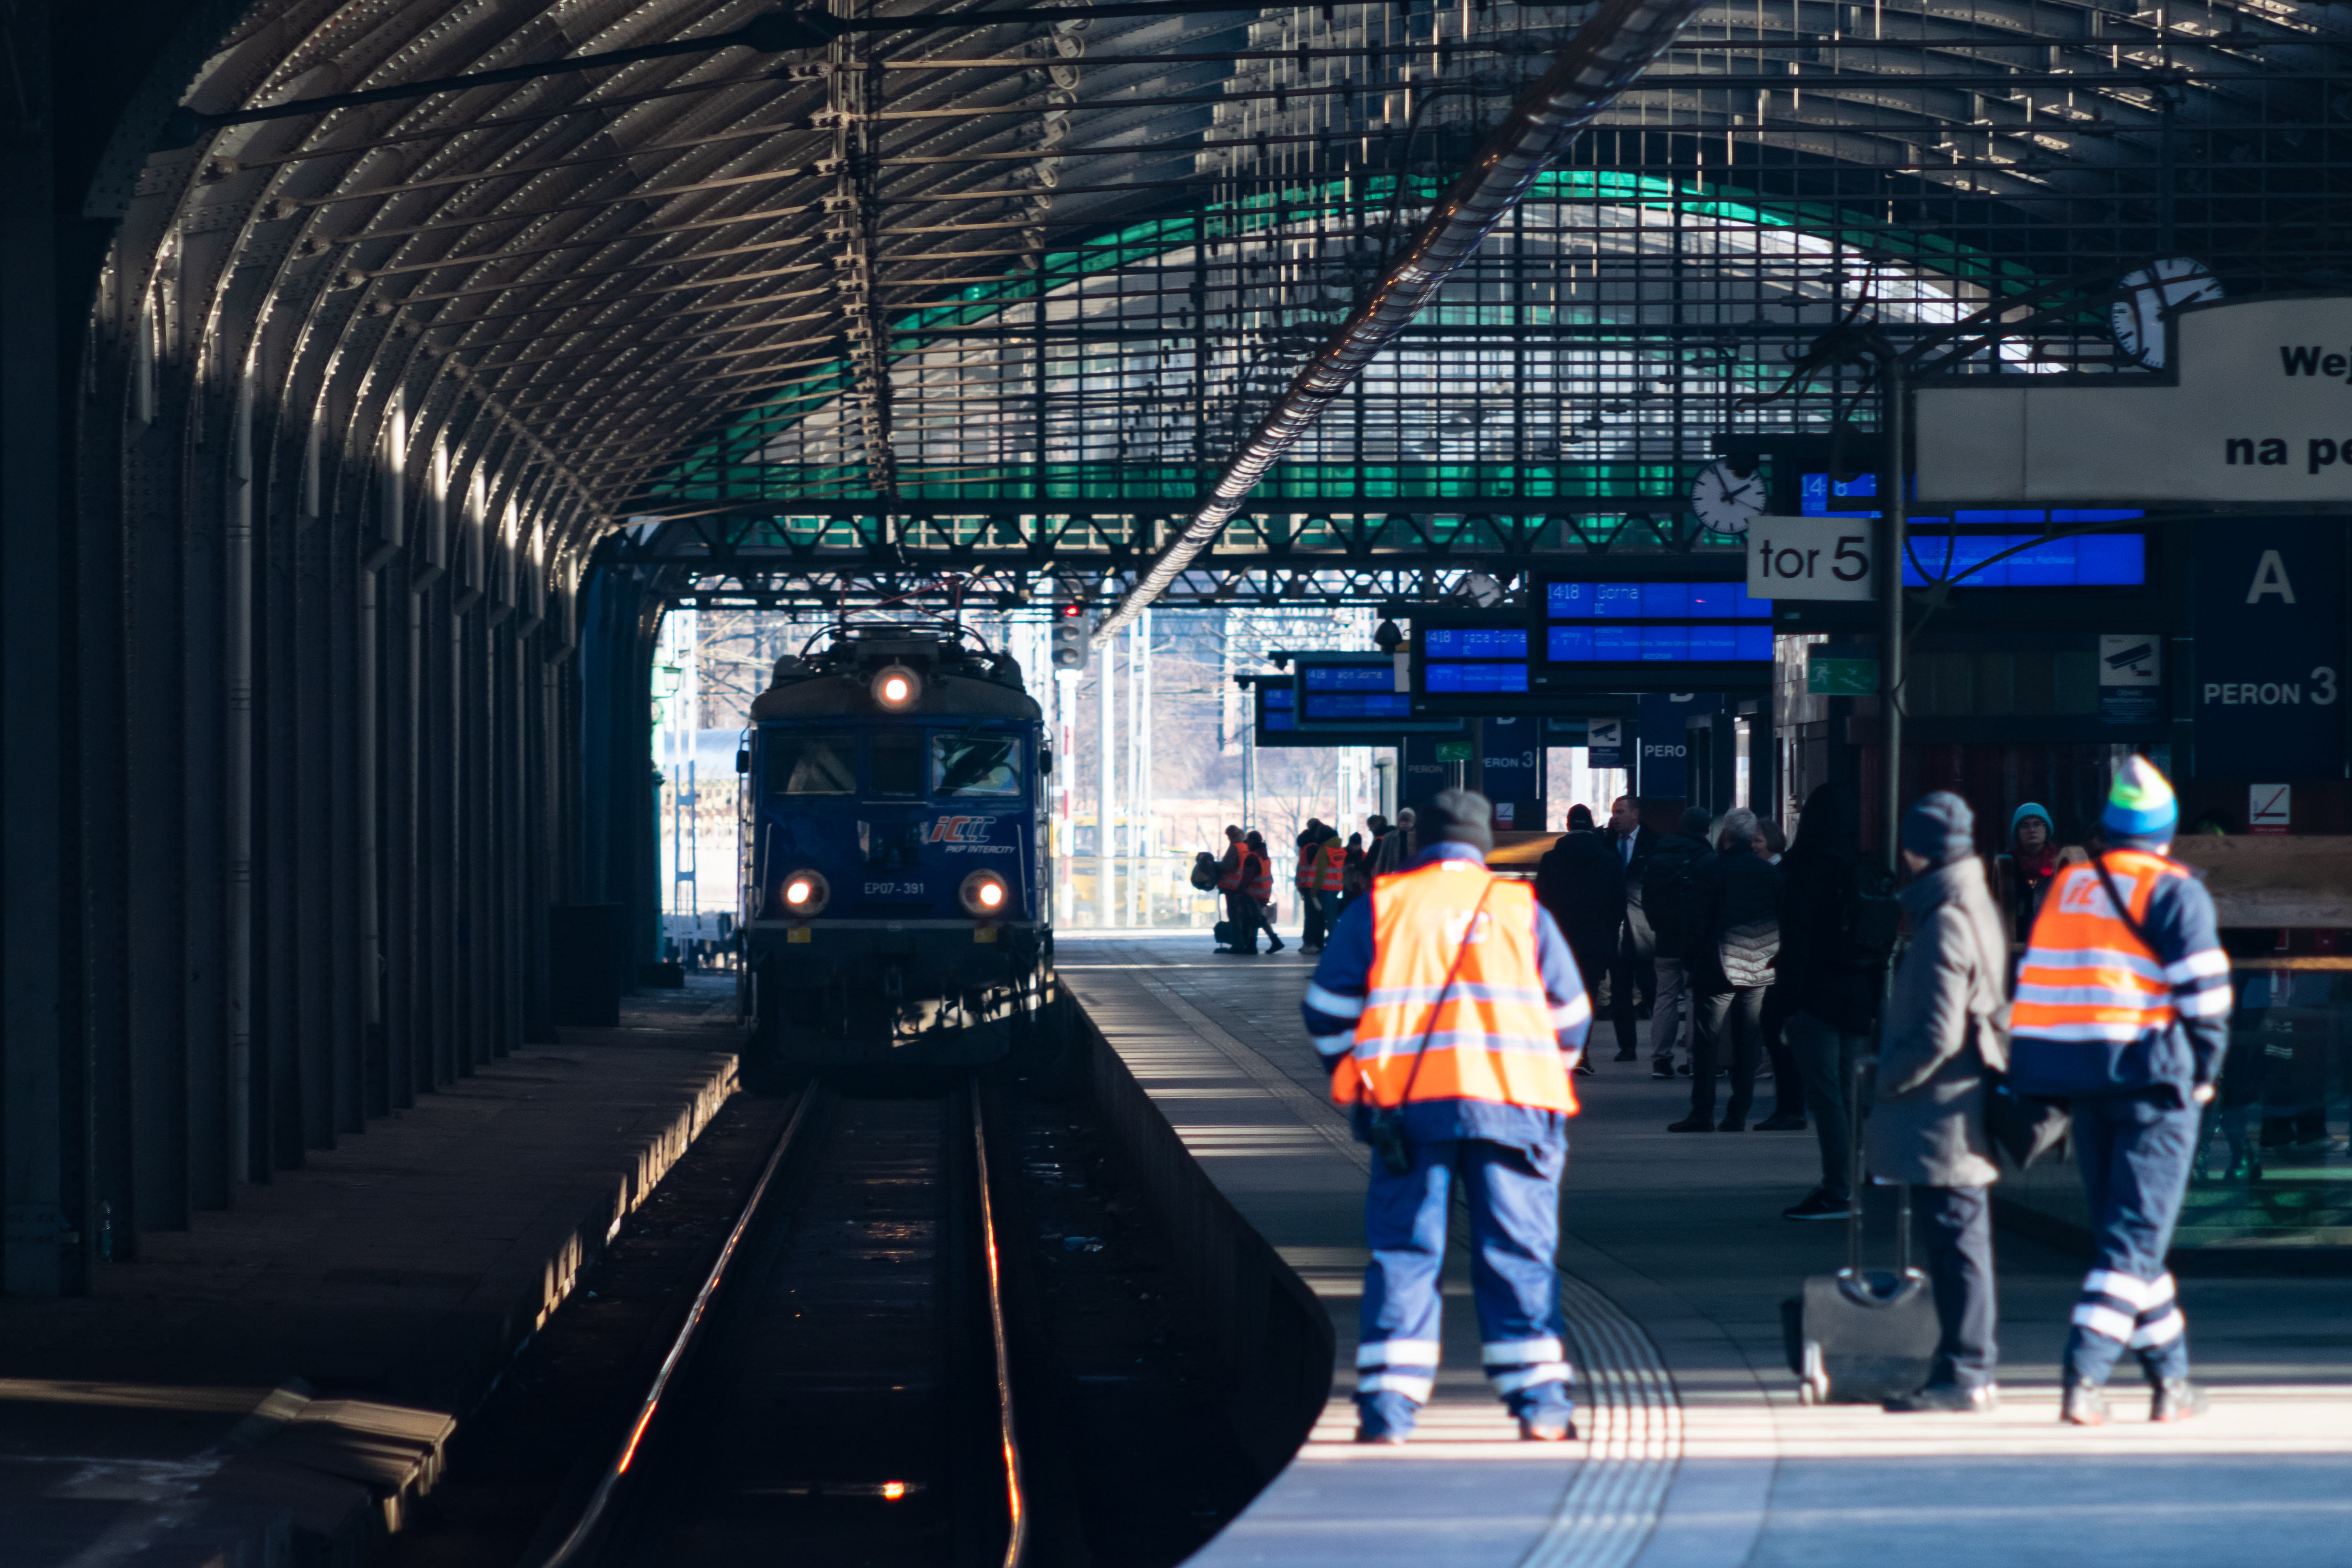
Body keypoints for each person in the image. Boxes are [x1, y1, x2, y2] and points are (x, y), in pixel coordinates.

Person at [1299, 789, 1592, 1446]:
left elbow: (1327, 1006)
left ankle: (1388, 1410)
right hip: (1516, 1108)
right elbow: (1571, 1015)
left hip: (1409, 1111)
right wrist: (1543, 1074)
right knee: (1519, 1250)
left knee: (1406, 1252)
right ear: (1482, 844)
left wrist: (1358, 1079)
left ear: (1420, 843)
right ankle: (1541, 1405)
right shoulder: (1520, 909)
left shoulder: (1382, 905)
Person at [2007, 756, 2231, 1426]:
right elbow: (2207, 998)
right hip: (2154, 1085)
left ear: (2105, 829)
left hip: (2084, 1088)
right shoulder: (2173, 890)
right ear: (2164, 832)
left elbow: (2041, 981)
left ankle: (2172, 1381)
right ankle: (2084, 1373)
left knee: (2126, 1239)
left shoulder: (2071, 885)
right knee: (2131, 1242)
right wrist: (2203, 1075)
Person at [1864, 791, 2012, 1413]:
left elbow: (1937, 1032)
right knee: (1959, 1240)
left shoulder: (1946, 918)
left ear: (1914, 849)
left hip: (1943, 1110)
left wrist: (1885, 1078)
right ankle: (1964, 1366)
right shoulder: (1971, 904)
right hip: (1958, 1102)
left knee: (1956, 1242)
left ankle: (1967, 1371)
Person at [1775, 784, 1894, 1220]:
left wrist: (1788, 1002)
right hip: (1858, 996)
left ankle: (1837, 1188)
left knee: (1825, 1097)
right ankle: (1863, 1178)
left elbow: (1798, 940)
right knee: (1848, 1094)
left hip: (1818, 996)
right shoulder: (1865, 869)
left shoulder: (1808, 869)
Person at [1670, 808, 1781, 1132]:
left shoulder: (1711, 870)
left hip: (1716, 967)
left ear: (1727, 837)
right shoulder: (1771, 874)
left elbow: (1696, 922)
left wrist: (1689, 960)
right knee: (1748, 1045)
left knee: (1707, 1043)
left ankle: (1702, 1112)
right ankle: (1738, 1113)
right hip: (1760, 968)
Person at [1638, 807, 1711, 1079]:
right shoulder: (1706, 858)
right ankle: (1694, 1059)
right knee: (1694, 997)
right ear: (1706, 829)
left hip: (1665, 939)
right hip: (1696, 940)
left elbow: (1647, 896)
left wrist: (1658, 926)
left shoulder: (1660, 856)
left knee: (1665, 997)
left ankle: (1661, 1059)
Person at [1533, 816, 1626, 1008]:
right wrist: (1611, 931)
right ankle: (1584, 1035)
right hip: (1597, 939)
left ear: (1568, 825)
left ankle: (1566, 1035)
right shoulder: (1609, 860)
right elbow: (1619, 903)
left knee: (1561, 993)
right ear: (1592, 826)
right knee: (1590, 991)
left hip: (1561, 937)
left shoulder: (1550, 860)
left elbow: (1541, 901)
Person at [1750, 815, 1806, 1128]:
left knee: (1780, 1036)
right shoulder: (1783, 872)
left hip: (1780, 966)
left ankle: (1790, 1107)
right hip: (1776, 963)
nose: (1753, 846)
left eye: (1758, 840)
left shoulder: (1782, 875)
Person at [1604, 796, 1660, 1063]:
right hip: (1616, 931)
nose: (1616, 817)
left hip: (1645, 930)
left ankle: (1661, 1048)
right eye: (1614, 812)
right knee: (1620, 992)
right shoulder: (1605, 843)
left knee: (1652, 989)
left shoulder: (1653, 844)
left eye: (1621, 812)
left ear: (1635, 814)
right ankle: (1627, 1047)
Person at [1993, 802, 2064, 944]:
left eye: (2038, 824)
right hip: (2016, 942)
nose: (2032, 830)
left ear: (2047, 829)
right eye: (2025, 825)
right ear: (2018, 832)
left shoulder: (2061, 862)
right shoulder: (2006, 865)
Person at [1243, 830, 1286, 953]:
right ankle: (1253, 945)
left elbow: (1248, 877)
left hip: (1254, 892)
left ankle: (1274, 941)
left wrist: (1241, 889)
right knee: (1255, 917)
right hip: (1265, 893)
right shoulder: (1265, 855)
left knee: (1258, 918)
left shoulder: (1253, 857)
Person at [1215, 825, 1255, 954]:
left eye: (1228, 836)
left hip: (1232, 887)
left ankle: (1238, 945)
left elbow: (1227, 867)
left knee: (1234, 917)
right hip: (1244, 886)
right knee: (1244, 916)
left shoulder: (1235, 848)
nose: (1228, 839)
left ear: (1231, 836)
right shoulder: (1246, 847)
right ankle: (1246, 943)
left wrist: (1215, 865)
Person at [1307, 825, 1347, 953]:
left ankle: (1335, 944)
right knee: (1333, 917)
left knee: (1329, 919)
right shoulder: (1339, 849)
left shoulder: (1324, 850)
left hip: (1324, 888)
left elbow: (1320, 874)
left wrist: (1314, 892)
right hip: (1336, 887)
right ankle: (1335, 943)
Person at [1296, 820, 1329, 952]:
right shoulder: (1314, 847)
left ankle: (1308, 943)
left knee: (1309, 915)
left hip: (1304, 885)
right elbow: (1316, 867)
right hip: (1313, 886)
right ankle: (1315, 943)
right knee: (1316, 916)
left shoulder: (1304, 846)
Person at [1370, 806, 1415, 877]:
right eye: (1402, 820)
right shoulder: (1389, 838)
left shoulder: (1417, 838)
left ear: (1413, 822)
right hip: (1393, 877)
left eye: (1407, 820)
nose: (1404, 823)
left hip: (1411, 877)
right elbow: (1382, 860)